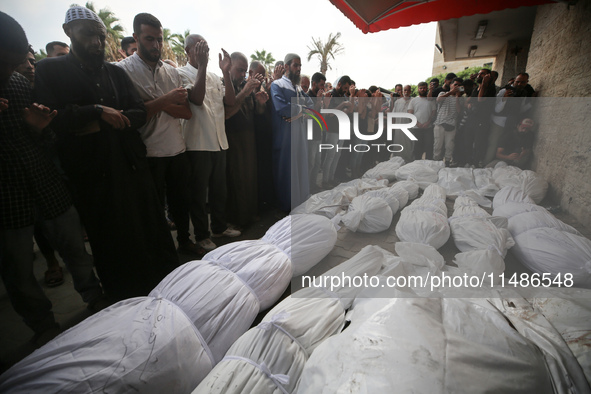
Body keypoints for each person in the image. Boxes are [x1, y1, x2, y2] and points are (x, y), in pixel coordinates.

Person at [35, 6, 179, 301]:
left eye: (100, 36)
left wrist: (105, 121)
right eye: (89, 35)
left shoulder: (114, 72)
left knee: (150, 231)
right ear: (68, 32)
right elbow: (53, 120)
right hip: (93, 175)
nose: (97, 43)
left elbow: (139, 112)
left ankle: (168, 290)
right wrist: (97, 112)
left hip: (131, 167)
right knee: (113, 241)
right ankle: (126, 299)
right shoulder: (50, 70)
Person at [1, 11, 104, 345]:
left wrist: (39, 129)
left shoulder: (19, 86)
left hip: (45, 184)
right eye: (4, 64)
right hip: (6, 198)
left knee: (74, 246)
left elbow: (47, 139)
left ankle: (94, 296)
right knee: (18, 269)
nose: (10, 72)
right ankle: (43, 325)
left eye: (14, 64)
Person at [117, 13, 199, 255]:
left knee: (180, 203)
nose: (156, 45)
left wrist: (150, 103)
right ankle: (162, 252)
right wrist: (165, 101)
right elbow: (130, 116)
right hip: (147, 152)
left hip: (176, 148)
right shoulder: (123, 71)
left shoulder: (172, 73)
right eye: (149, 39)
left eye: (160, 39)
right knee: (152, 209)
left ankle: (185, 241)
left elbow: (186, 113)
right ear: (136, 38)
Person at [177, 34, 240, 252]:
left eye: (206, 48)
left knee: (219, 190)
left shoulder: (215, 76)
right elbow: (195, 98)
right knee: (198, 193)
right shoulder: (180, 73)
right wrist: (202, 66)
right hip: (198, 142)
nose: (204, 52)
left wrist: (225, 73)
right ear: (187, 51)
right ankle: (202, 235)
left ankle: (219, 227)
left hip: (219, 140)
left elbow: (230, 102)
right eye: (198, 48)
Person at [223, 52, 268, 229]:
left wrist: (261, 104)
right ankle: (236, 220)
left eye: (244, 71)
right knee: (237, 181)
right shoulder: (225, 85)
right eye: (239, 70)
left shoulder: (245, 86)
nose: (242, 74)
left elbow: (256, 114)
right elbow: (228, 111)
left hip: (249, 140)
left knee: (250, 180)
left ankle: (249, 215)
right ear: (230, 67)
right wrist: (245, 91)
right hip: (234, 140)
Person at [270, 53, 312, 210]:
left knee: (300, 168)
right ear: (286, 66)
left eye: (300, 66)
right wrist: (300, 111)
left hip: (299, 135)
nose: (299, 69)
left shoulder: (298, 88)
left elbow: (312, 105)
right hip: (285, 137)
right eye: (296, 65)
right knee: (286, 171)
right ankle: (286, 207)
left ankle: (300, 204)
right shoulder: (278, 85)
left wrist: (299, 112)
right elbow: (282, 109)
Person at [484, 72, 533, 165]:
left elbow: (521, 109)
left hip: (511, 123)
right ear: (514, 81)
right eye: (517, 82)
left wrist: (530, 104)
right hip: (498, 123)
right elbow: (496, 109)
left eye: (522, 82)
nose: (519, 84)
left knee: (506, 145)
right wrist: (504, 99)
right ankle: (486, 164)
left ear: (526, 82)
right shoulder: (504, 91)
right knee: (493, 144)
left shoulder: (524, 93)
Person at [320, 75, 353, 188]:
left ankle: (331, 178)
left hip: (341, 129)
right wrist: (342, 105)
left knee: (337, 156)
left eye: (347, 88)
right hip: (332, 130)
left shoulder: (343, 96)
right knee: (330, 156)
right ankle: (325, 180)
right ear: (339, 84)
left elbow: (349, 109)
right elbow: (329, 112)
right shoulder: (331, 94)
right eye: (345, 87)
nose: (346, 90)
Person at [433, 77, 463, 165]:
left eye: (459, 85)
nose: (457, 86)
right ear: (451, 85)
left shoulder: (461, 98)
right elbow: (438, 100)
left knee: (449, 146)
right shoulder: (443, 93)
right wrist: (450, 93)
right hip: (439, 123)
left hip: (452, 125)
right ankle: (436, 162)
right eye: (455, 84)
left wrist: (457, 97)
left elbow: (459, 111)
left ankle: (447, 162)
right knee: (437, 145)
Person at [306, 72, 326, 191]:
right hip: (311, 133)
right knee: (311, 163)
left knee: (317, 163)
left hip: (319, 133)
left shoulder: (320, 97)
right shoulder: (308, 96)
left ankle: (313, 185)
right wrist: (318, 102)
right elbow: (311, 114)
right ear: (314, 84)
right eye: (321, 85)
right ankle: (307, 186)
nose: (323, 88)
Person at [408, 82, 436, 160]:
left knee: (429, 147)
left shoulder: (431, 100)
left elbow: (433, 113)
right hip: (416, 128)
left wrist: (428, 122)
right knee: (417, 149)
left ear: (427, 88)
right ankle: (417, 165)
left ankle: (428, 165)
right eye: (421, 88)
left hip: (428, 128)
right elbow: (410, 114)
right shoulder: (413, 100)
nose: (422, 89)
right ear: (418, 89)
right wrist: (418, 123)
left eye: (424, 88)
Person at [392, 84, 413, 162]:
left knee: (408, 146)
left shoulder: (413, 101)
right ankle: (397, 161)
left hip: (409, 128)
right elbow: (393, 115)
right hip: (398, 128)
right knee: (398, 144)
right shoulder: (397, 102)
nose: (406, 92)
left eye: (408, 90)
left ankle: (408, 161)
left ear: (410, 91)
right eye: (405, 90)